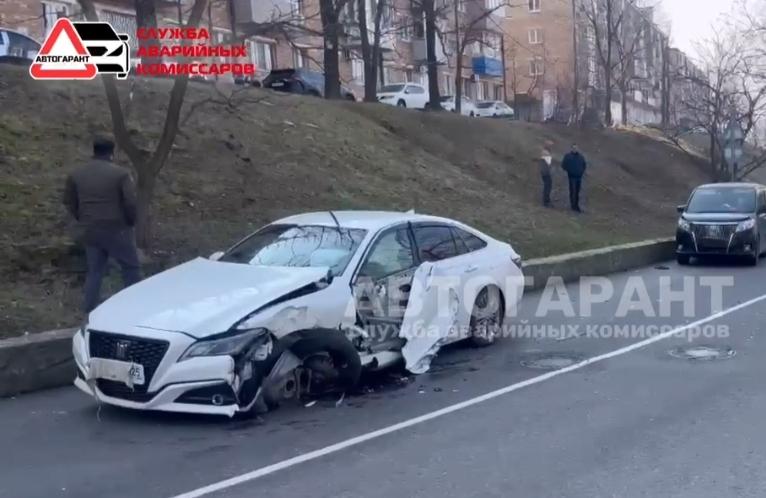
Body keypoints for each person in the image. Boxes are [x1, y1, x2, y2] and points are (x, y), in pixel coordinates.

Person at [64, 136, 141, 312]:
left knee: (95, 271)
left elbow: (69, 201)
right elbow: (130, 202)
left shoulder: (76, 174)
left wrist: (83, 218)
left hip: (90, 229)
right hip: (117, 228)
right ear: (111, 153)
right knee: (131, 268)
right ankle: (137, 307)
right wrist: (130, 222)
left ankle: (89, 310)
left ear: (94, 151)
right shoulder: (121, 174)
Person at [561, 143, 587, 212]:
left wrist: (581, 171)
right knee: (573, 191)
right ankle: (573, 206)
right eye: (574, 148)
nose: (575, 149)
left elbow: (584, 165)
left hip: (579, 177)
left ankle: (576, 206)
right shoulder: (568, 156)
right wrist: (569, 171)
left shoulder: (581, 157)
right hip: (571, 177)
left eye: (576, 148)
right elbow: (563, 165)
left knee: (577, 192)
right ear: (571, 148)